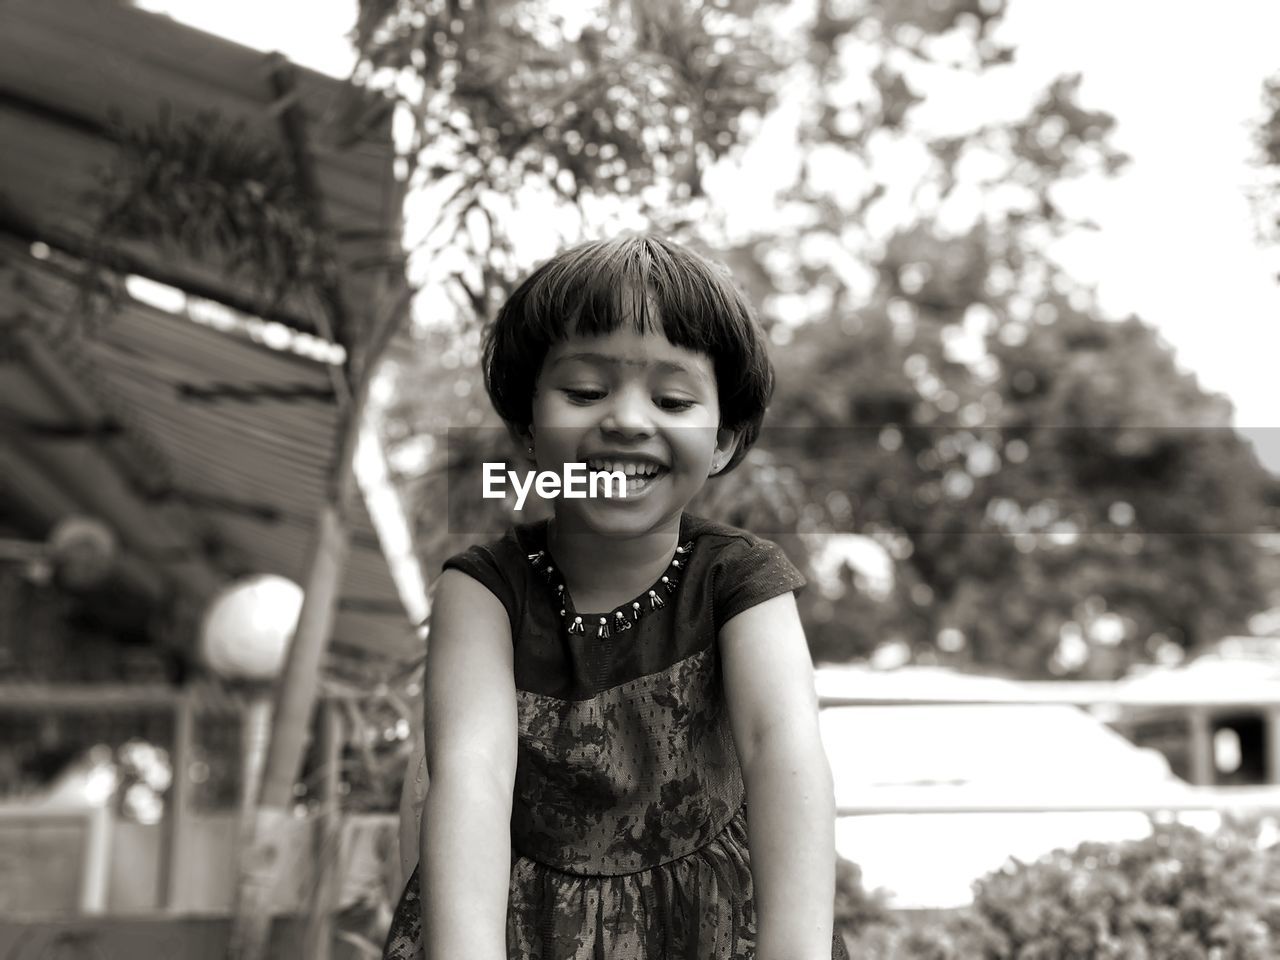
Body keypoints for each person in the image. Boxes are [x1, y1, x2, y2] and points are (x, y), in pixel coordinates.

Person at [383, 235, 848, 960]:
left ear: (722, 439)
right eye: (586, 392)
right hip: (522, 931)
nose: (629, 420)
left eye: (671, 398)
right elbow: (471, 777)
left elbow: (781, 748)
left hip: (715, 931)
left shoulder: (741, 580)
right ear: (527, 429)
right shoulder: (483, 590)